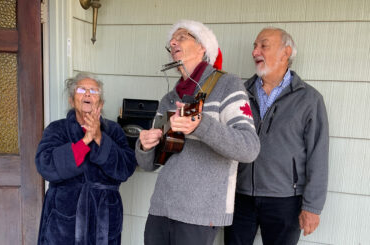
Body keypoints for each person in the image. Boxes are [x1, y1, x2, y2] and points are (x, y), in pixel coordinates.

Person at [135, 19, 260, 245]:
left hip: (200, 214)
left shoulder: (228, 85)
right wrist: (145, 146)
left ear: (203, 47)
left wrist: (201, 125)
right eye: (171, 40)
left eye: (182, 37)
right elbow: (150, 164)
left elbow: (249, 148)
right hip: (162, 208)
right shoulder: (170, 98)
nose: (173, 41)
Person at [224, 27, 329, 245]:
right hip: (240, 197)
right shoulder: (240, 93)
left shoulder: (309, 99)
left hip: (285, 201)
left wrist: (312, 207)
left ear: (286, 52)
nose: (255, 52)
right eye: (254, 46)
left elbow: (318, 156)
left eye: (263, 45)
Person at [35, 73, 137, 245]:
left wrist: (99, 138)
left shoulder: (114, 131)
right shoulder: (57, 129)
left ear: (101, 103)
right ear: (71, 100)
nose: (88, 93)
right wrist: (85, 141)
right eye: (82, 89)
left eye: (94, 91)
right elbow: (45, 165)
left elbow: (125, 168)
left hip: (104, 217)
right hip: (64, 217)